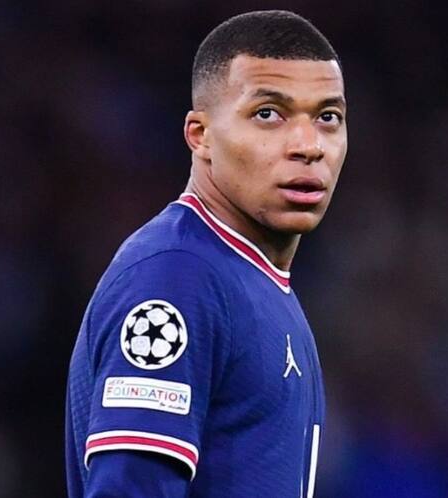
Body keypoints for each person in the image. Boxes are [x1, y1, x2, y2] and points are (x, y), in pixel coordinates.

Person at [65, 10, 348, 497]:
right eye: (268, 114)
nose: (308, 145)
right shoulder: (177, 278)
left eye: (327, 117)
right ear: (201, 136)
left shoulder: (253, 280)